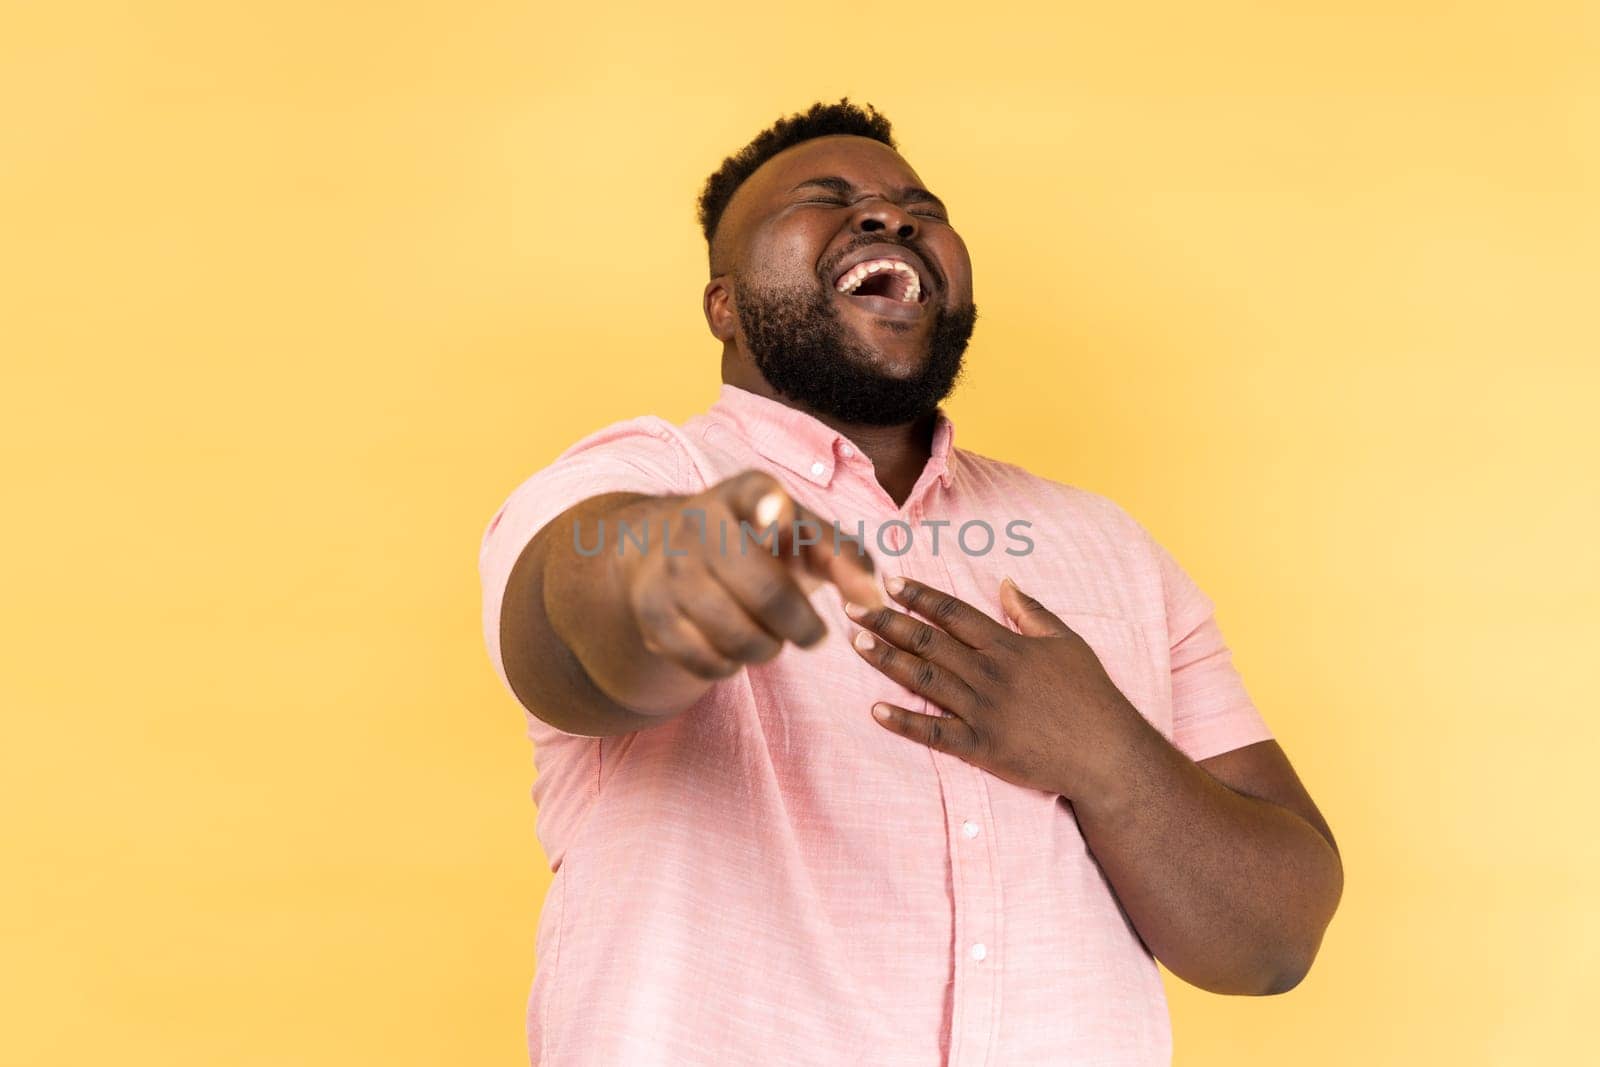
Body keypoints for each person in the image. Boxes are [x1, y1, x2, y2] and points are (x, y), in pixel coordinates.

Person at [478, 99, 1342, 1066]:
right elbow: (570, 639)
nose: (891, 220)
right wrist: (680, 579)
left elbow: (1273, 942)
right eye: (826, 200)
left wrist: (1106, 755)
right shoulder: (642, 480)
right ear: (722, 304)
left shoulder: (1109, 545)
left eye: (917, 207)